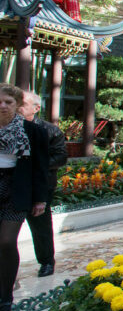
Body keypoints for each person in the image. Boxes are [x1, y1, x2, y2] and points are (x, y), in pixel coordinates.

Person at [0, 84, 49, 311]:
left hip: (16, 189)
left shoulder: (32, 131)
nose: (2, 106)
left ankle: (5, 298)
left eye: (8, 102)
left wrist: (40, 198)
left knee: (7, 242)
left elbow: (41, 168)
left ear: (18, 105)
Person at [18, 91, 66, 278]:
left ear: (36, 108)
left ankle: (46, 261)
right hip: (14, 185)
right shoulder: (8, 127)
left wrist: (34, 165)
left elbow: (60, 157)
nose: (18, 107)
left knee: (40, 226)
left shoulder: (49, 130)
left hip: (41, 185)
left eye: (22, 103)